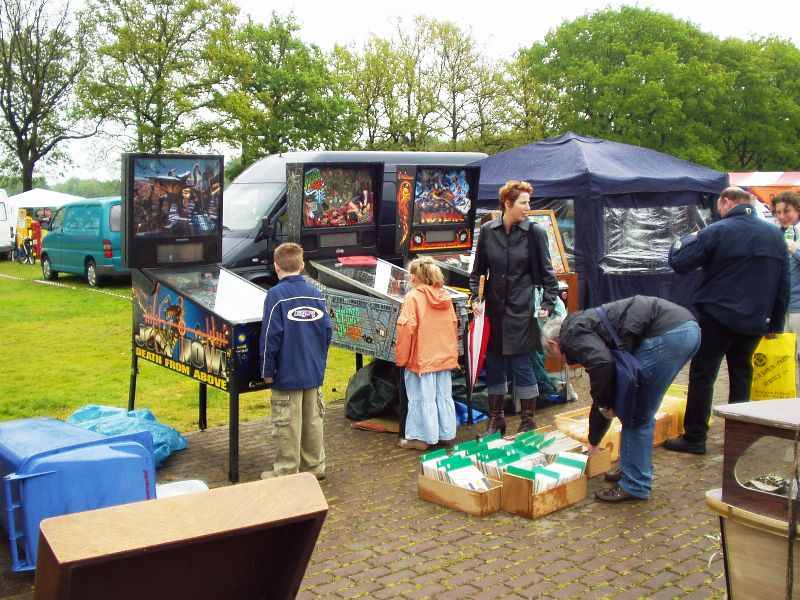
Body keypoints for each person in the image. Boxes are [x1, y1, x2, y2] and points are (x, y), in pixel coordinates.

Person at [664, 186, 789, 455]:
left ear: (725, 202)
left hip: (717, 316)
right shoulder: (774, 235)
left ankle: (696, 437)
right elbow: (783, 283)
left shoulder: (717, 231)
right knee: (742, 375)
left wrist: (690, 237)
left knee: (703, 375)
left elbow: (679, 261)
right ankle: (738, 439)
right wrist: (775, 324)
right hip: (756, 319)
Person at [542, 296, 701, 502]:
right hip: (685, 329)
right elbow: (604, 380)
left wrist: (606, 405)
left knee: (636, 414)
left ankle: (635, 484)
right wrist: (594, 438)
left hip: (669, 334)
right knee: (636, 409)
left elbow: (602, 366)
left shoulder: (572, 334)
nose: (560, 359)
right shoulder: (581, 324)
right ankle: (631, 468)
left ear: (554, 343)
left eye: (553, 353)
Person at [469, 180, 560, 436]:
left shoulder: (535, 233)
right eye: (523, 202)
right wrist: (477, 300)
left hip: (522, 314)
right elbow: (477, 272)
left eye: (529, 202)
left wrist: (547, 303)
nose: (528, 208)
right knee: (495, 366)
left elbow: (548, 275)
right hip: (495, 314)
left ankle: (528, 423)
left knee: (523, 366)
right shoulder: (488, 231)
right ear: (507, 204)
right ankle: (496, 421)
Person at [259, 242, 333, 480]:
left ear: (276, 266)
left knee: (287, 422)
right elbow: (327, 332)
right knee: (312, 420)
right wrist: (319, 363)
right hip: (312, 371)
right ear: (302, 265)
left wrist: (266, 369)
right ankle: (314, 467)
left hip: (286, 373)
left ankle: (287, 470)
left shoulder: (275, 295)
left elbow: (271, 335)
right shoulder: (317, 294)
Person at [395, 257, 459, 450]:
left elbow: (406, 329)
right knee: (443, 395)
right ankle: (446, 433)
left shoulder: (413, 297)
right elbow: (454, 325)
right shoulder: (445, 296)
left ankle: (421, 438)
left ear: (415, 277)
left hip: (421, 358)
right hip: (444, 356)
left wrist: (402, 358)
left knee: (421, 398)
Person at [773, 191, 800, 336]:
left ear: (797, 209)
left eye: (786, 211)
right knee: (784, 356)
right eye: (778, 212)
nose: (782, 216)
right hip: (781, 306)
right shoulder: (777, 233)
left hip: (798, 306)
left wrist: (796, 251)